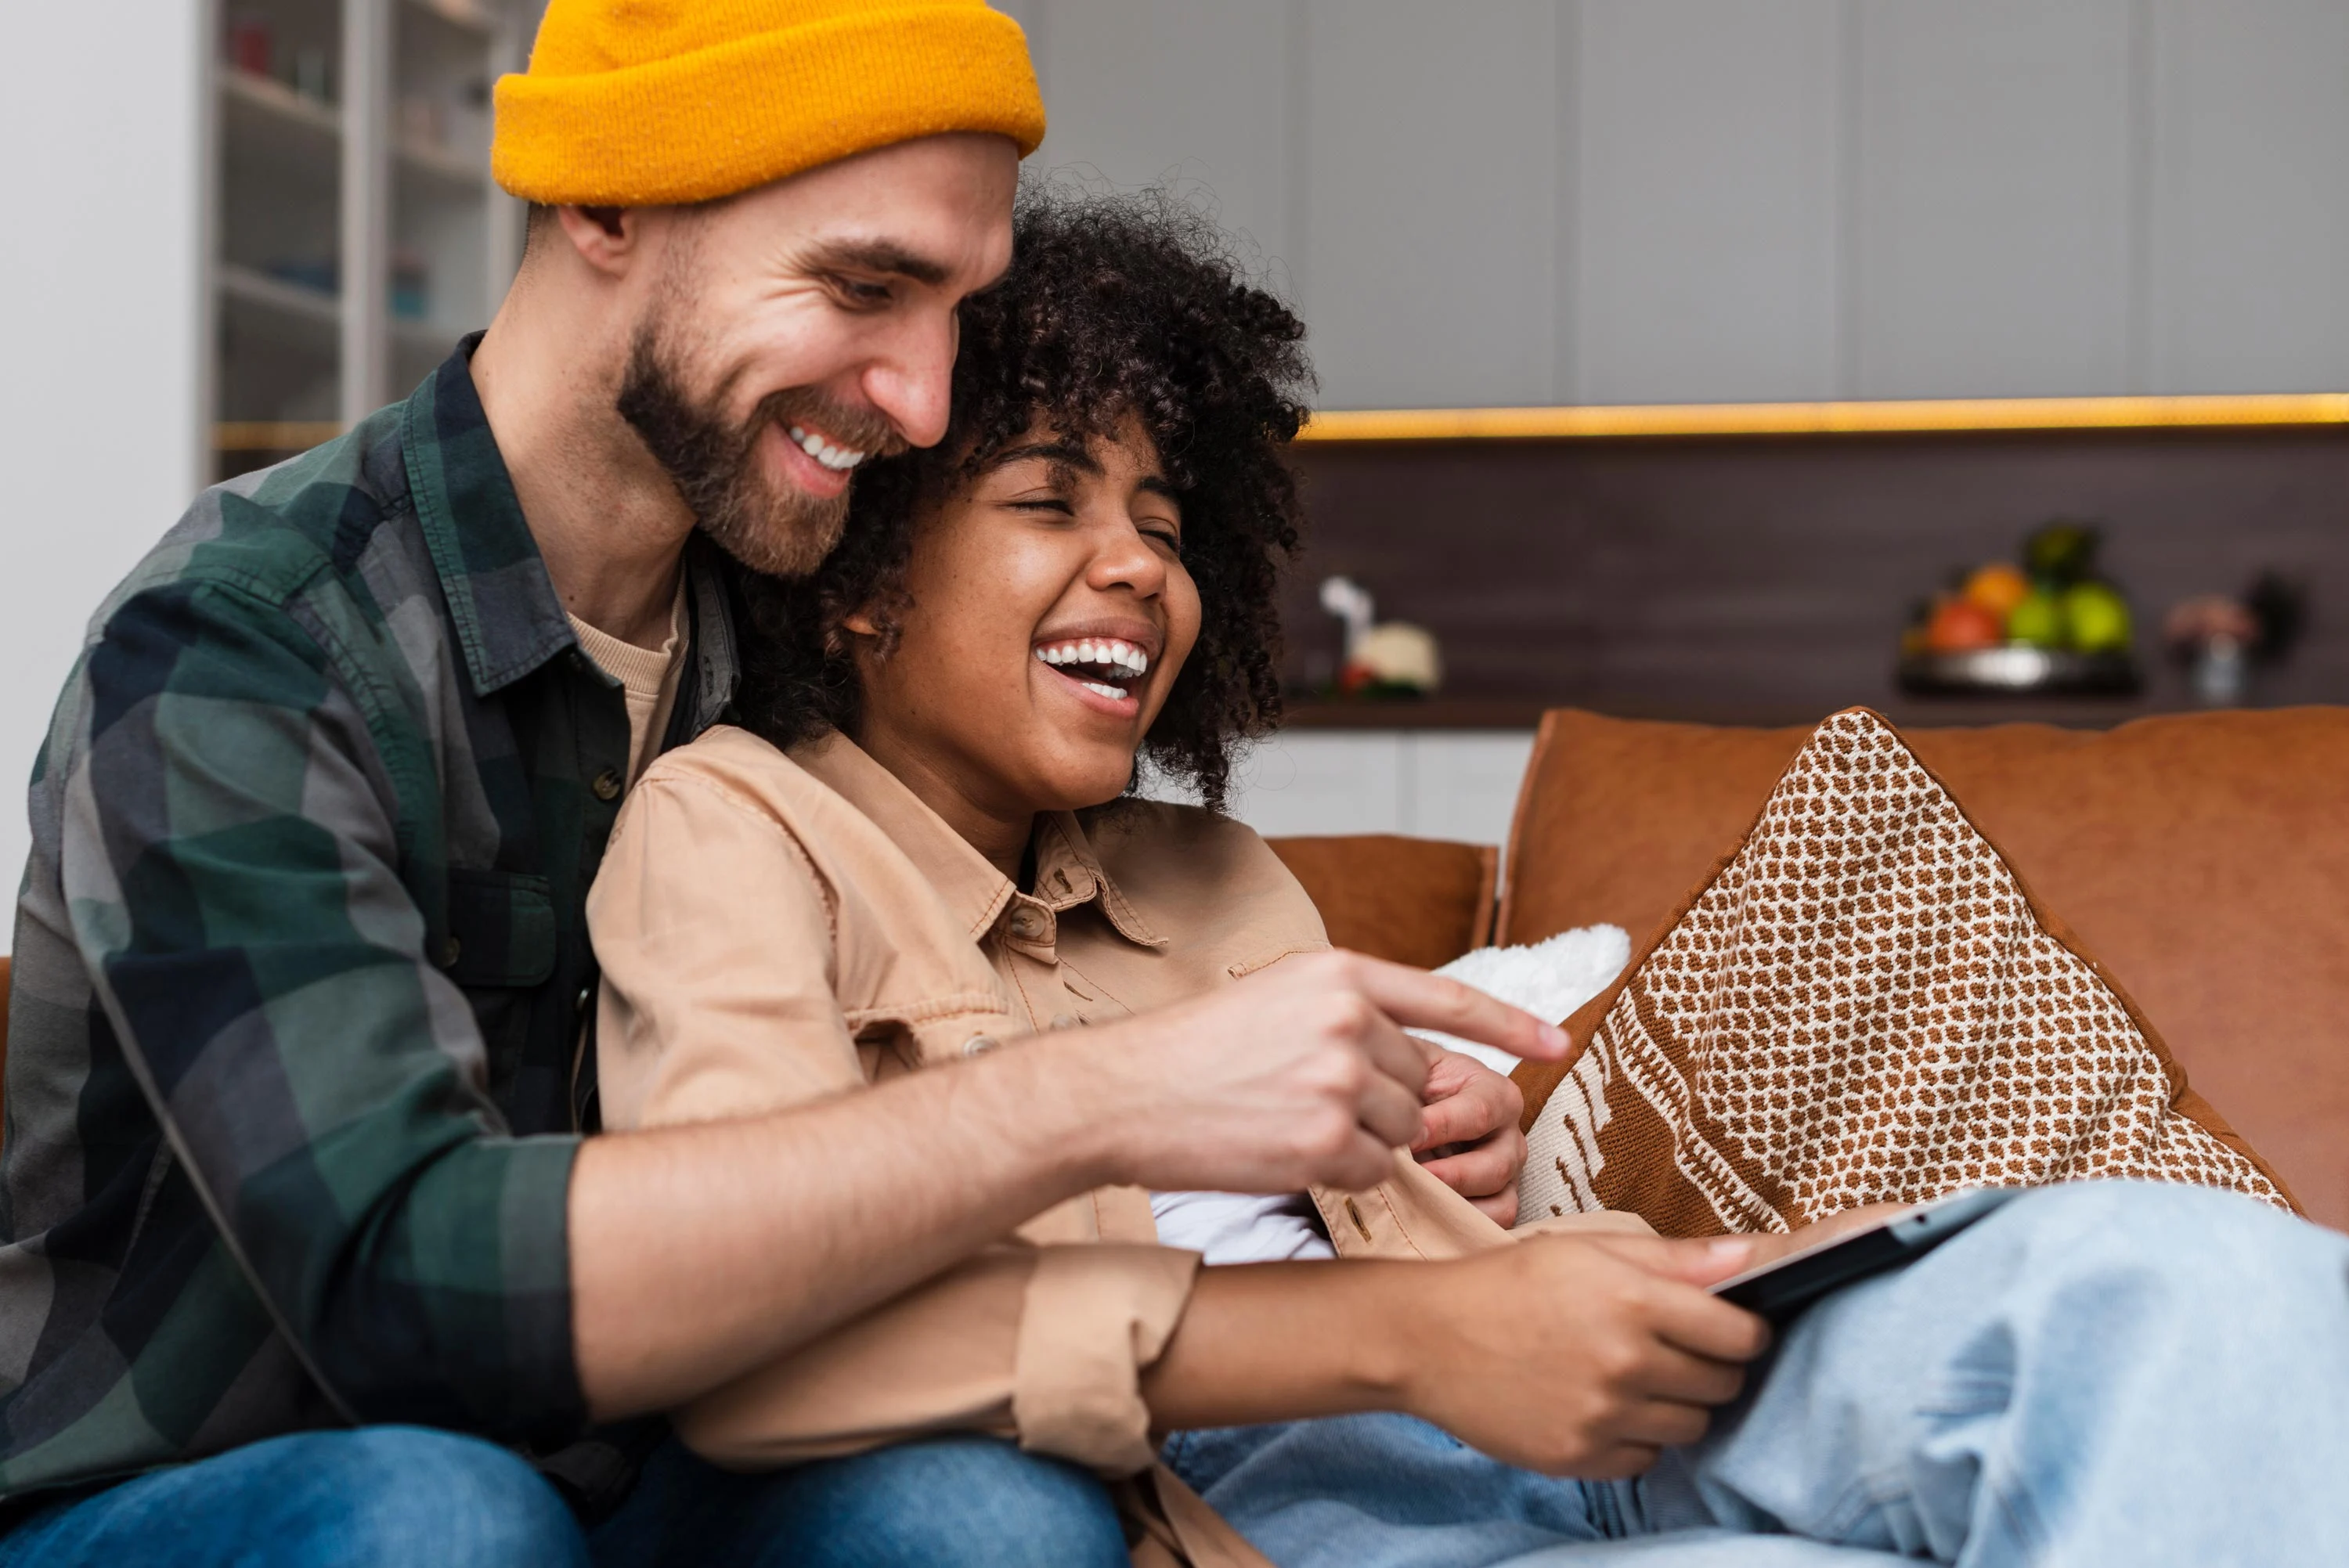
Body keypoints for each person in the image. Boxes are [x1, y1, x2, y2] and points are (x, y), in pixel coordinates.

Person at [591, 187, 2349, 1568]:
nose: (1137, 566)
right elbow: (736, 1325)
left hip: (1575, 1388)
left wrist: (1487, 1193)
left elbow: (1432, 1235)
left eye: (1169, 525)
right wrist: (1409, 1324)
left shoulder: (1215, 877)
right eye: (1050, 501)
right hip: (1282, 1490)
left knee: (2190, 1281)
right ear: (863, 578)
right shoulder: (736, 830)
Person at [0, 8, 1557, 1566]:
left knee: (985, 1512)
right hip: (218, 1487)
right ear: (606, 200)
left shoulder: (807, 635)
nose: (927, 400)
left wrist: (1365, 1133)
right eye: (864, 288)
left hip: (635, 1479)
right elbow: (408, 1296)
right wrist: (1127, 1098)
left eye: (959, 310)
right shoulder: (243, 644)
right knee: (441, 1517)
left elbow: (1035, 959)